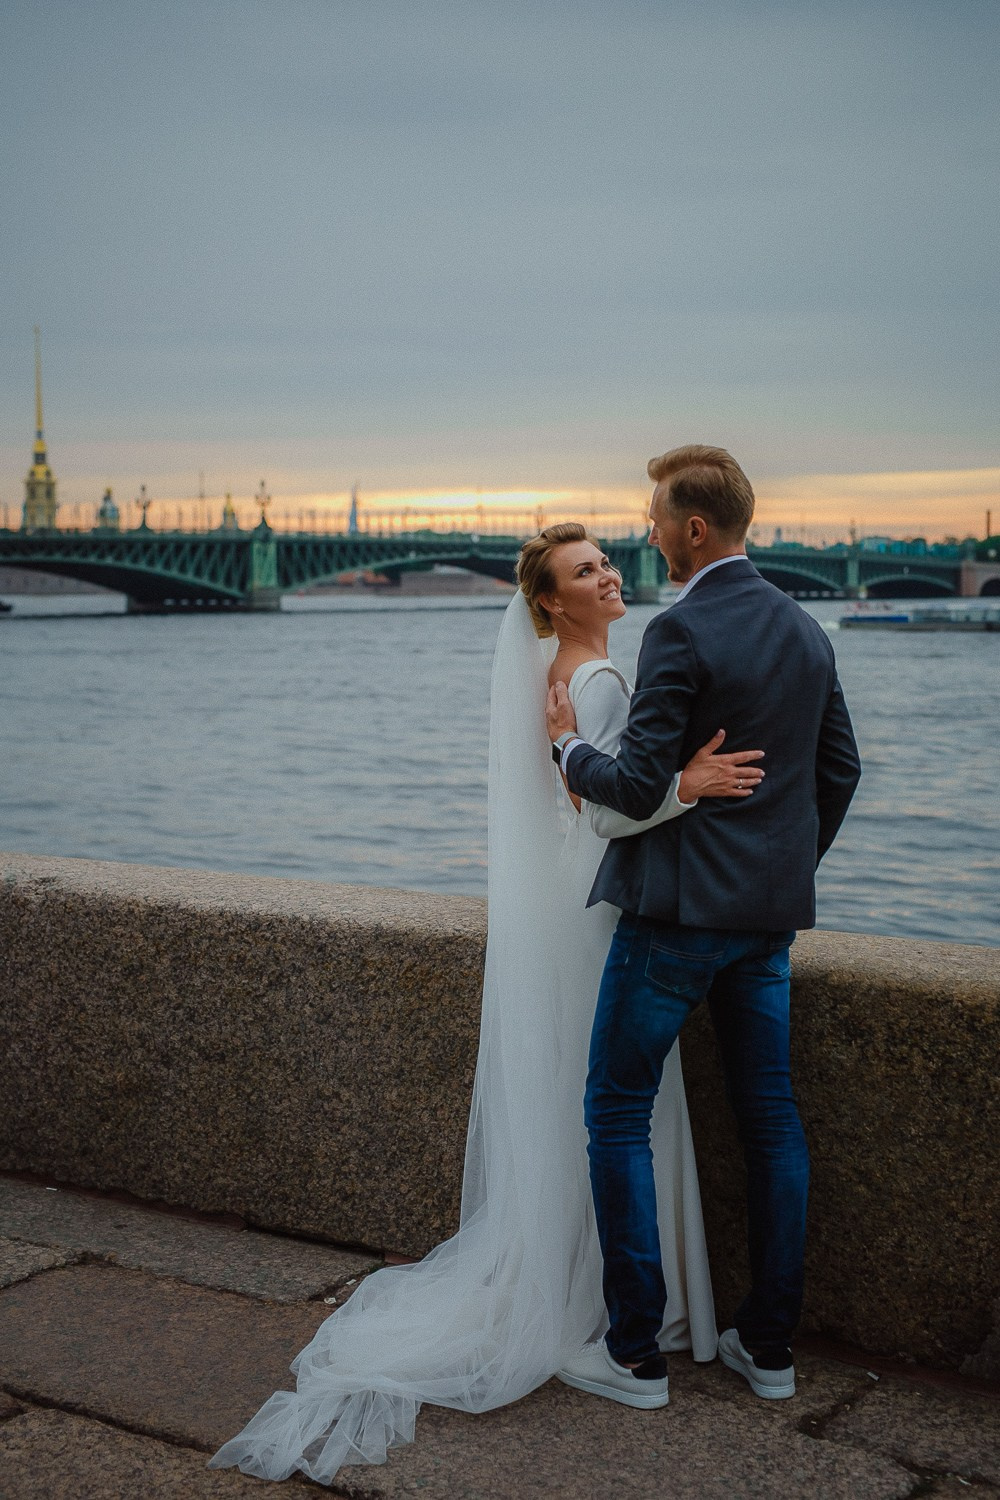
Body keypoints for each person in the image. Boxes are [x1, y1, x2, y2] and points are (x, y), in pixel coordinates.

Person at [209, 521, 764, 1484]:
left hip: (571, 902)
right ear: (552, 600)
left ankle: (608, 1295)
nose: (606, 574)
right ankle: (632, 1308)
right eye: (584, 571)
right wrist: (691, 783)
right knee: (629, 1104)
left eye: (603, 561)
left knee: (592, 1101)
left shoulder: (556, 671)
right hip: (604, 905)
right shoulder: (591, 681)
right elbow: (604, 806)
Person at [548, 446, 862, 1408]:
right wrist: (778, 870)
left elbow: (639, 784)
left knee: (614, 1112)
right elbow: (839, 772)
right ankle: (769, 1348)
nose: (644, 533)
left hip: (675, 920)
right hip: (765, 924)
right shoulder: (806, 630)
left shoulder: (682, 632)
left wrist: (566, 748)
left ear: (693, 529)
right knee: (772, 1124)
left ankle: (636, 1354)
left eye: (653, 518)